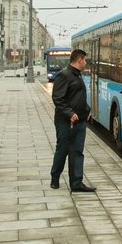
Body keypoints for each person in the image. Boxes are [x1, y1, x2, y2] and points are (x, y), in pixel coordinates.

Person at [50, 49, 96, 193]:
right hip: (65, 122)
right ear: (79, 60)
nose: (86, 63)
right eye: (85, 60)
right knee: (62, 150)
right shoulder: (64, 75)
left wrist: (87, 111)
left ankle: (76, 183)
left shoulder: (78, 76)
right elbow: (58, 98)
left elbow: (79, 97)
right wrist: (70, 113)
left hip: (80, 121)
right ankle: (55, 178)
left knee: (77, 152)